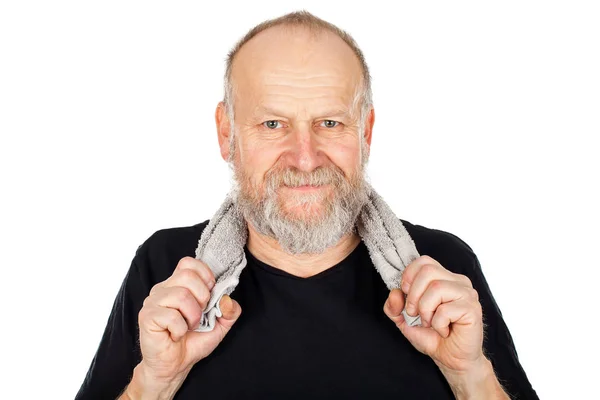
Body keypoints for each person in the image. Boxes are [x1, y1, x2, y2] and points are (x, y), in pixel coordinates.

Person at [75, 10, 538, 400]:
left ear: (366, 132)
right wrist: (153, 382)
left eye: (330, 122)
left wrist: (470, 374)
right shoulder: (166, 269)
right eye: (273, 123)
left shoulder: (444, 270)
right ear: (226, 134)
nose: (304, 157)